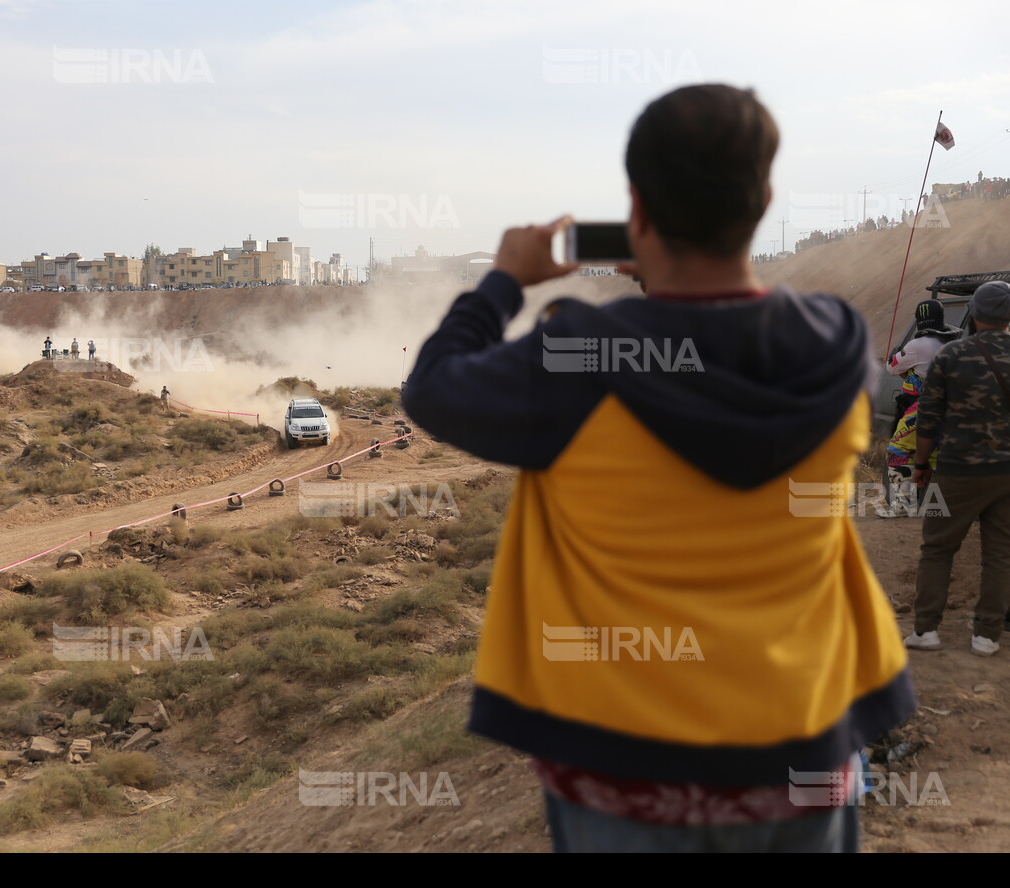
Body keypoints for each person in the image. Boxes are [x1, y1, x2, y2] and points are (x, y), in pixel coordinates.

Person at [402, 84, 913, 853]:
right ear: (764, 199)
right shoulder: (835, 346)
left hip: (624, 770)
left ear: (636, 208)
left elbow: (434, 388)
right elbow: (745, 351)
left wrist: (504, 278)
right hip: (802, 747)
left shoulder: (576, 360)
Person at [906, 281, 1010, 656]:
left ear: (976, 314)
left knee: (937, 547)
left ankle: (926, 631)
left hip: (956, 470)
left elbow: (928, 417)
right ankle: (987, 636)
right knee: (1000, 553)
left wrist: (920, 465)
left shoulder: (950, 356)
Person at [880, 299, 963, 517]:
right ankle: (945, 507)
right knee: (935, 456)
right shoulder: (950, 343)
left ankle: (902, 506)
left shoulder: (917, 346)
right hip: (947, 408)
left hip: (922, 408)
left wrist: (896, 356)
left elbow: (891, 368)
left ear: (919, 319)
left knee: (898, 449)